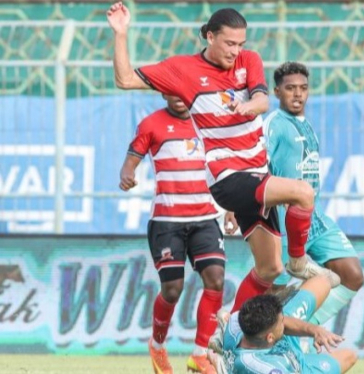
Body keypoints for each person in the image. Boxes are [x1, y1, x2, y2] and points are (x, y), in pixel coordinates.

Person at [107, 2, 338, 316]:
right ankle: (298, 261)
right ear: (210, 37)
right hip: (227, 176)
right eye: (229, 43)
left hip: (257, 175)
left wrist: (249, 107)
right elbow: (124, 79)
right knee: (302, 193)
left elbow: (261, 98)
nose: (235, 51)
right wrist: (121, 33)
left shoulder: (248, 60)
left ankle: (225, 330)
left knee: (269, 269)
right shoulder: (182, 70)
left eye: (240, 43)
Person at [226, 61, 364, 327]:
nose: (298, 94)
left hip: (314, 217)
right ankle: (230, 334)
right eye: (290, 89)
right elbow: (254, 166)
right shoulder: (274, 125)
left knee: (353, 275)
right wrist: (233, 206)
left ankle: (296, 335)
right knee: (271, 295)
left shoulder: (306, 125)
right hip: (283, 220)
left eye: (303, 88)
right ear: (277, 92)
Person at [119, 94, 225, 374]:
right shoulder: (151, 124)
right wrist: (127, 173)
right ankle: (157, 345)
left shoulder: (208, 122)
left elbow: (221, 167)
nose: (179, 98)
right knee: (173, 289)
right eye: (172, 92)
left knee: (215, 280)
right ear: (163, 92)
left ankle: (200, 355)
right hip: (168, 221)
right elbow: (131, 160)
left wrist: (232, 206)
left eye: (184, 92)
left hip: (205, 218)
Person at [208, 275, 358, 374]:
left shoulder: (238, 321)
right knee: (349, 356)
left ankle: (305, 334)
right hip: (299, 368)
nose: (284, 321)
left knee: (322, 281)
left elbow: (229, 318)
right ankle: (304, 348)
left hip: (283, 342)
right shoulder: (262, 367)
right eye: (281, 322)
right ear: (270, 337)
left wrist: (314, 330)